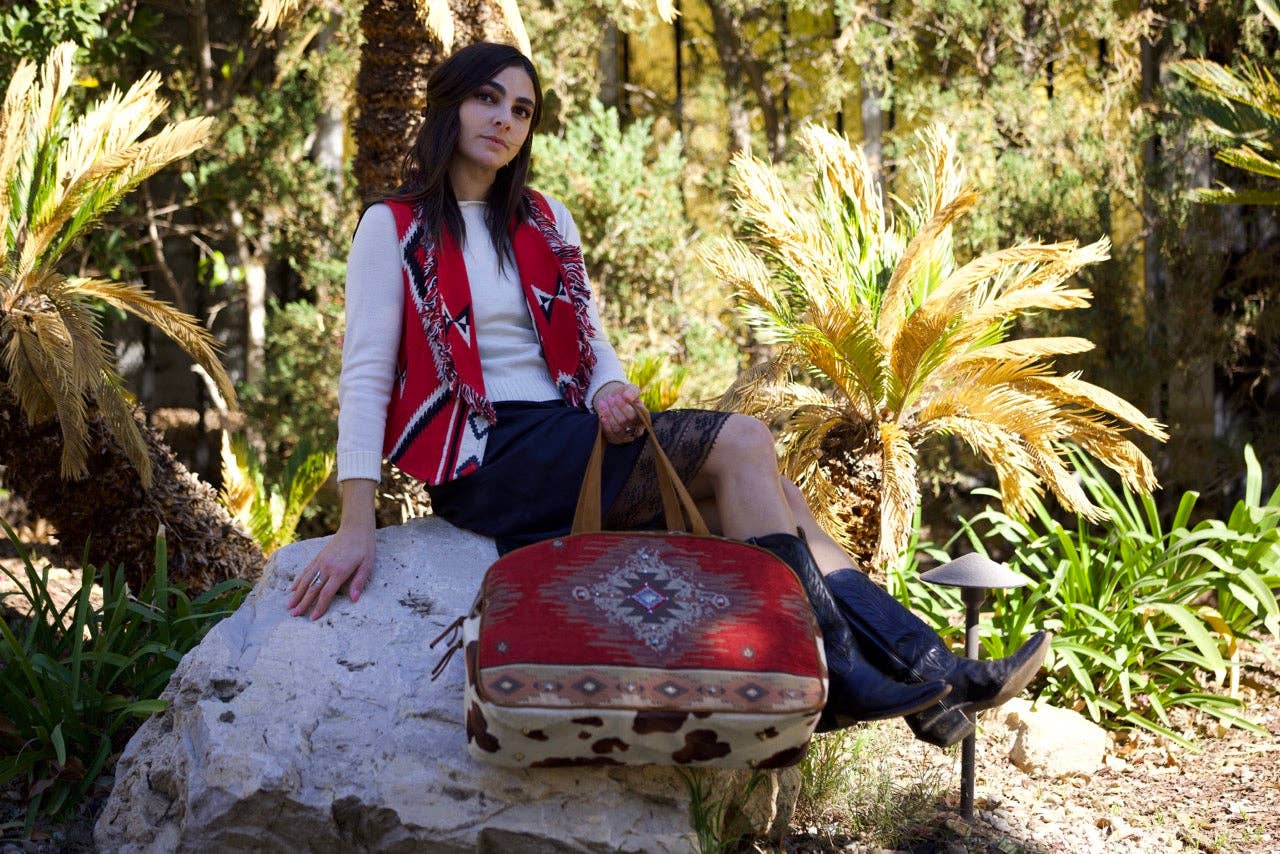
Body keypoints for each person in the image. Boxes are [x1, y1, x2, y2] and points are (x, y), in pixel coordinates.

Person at [285, 42, 1048, 748]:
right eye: (487, 99)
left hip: (565, 434)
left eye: (522, 110)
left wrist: (611, 390)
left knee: (778, 495)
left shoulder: (545, 221)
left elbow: (590, 344)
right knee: (744, 441)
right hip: (487, 456)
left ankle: (932, 673)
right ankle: (846, 669)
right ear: (449, 104)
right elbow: (366, 375)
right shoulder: (395, 227)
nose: (504, 120)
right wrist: (355, 522)